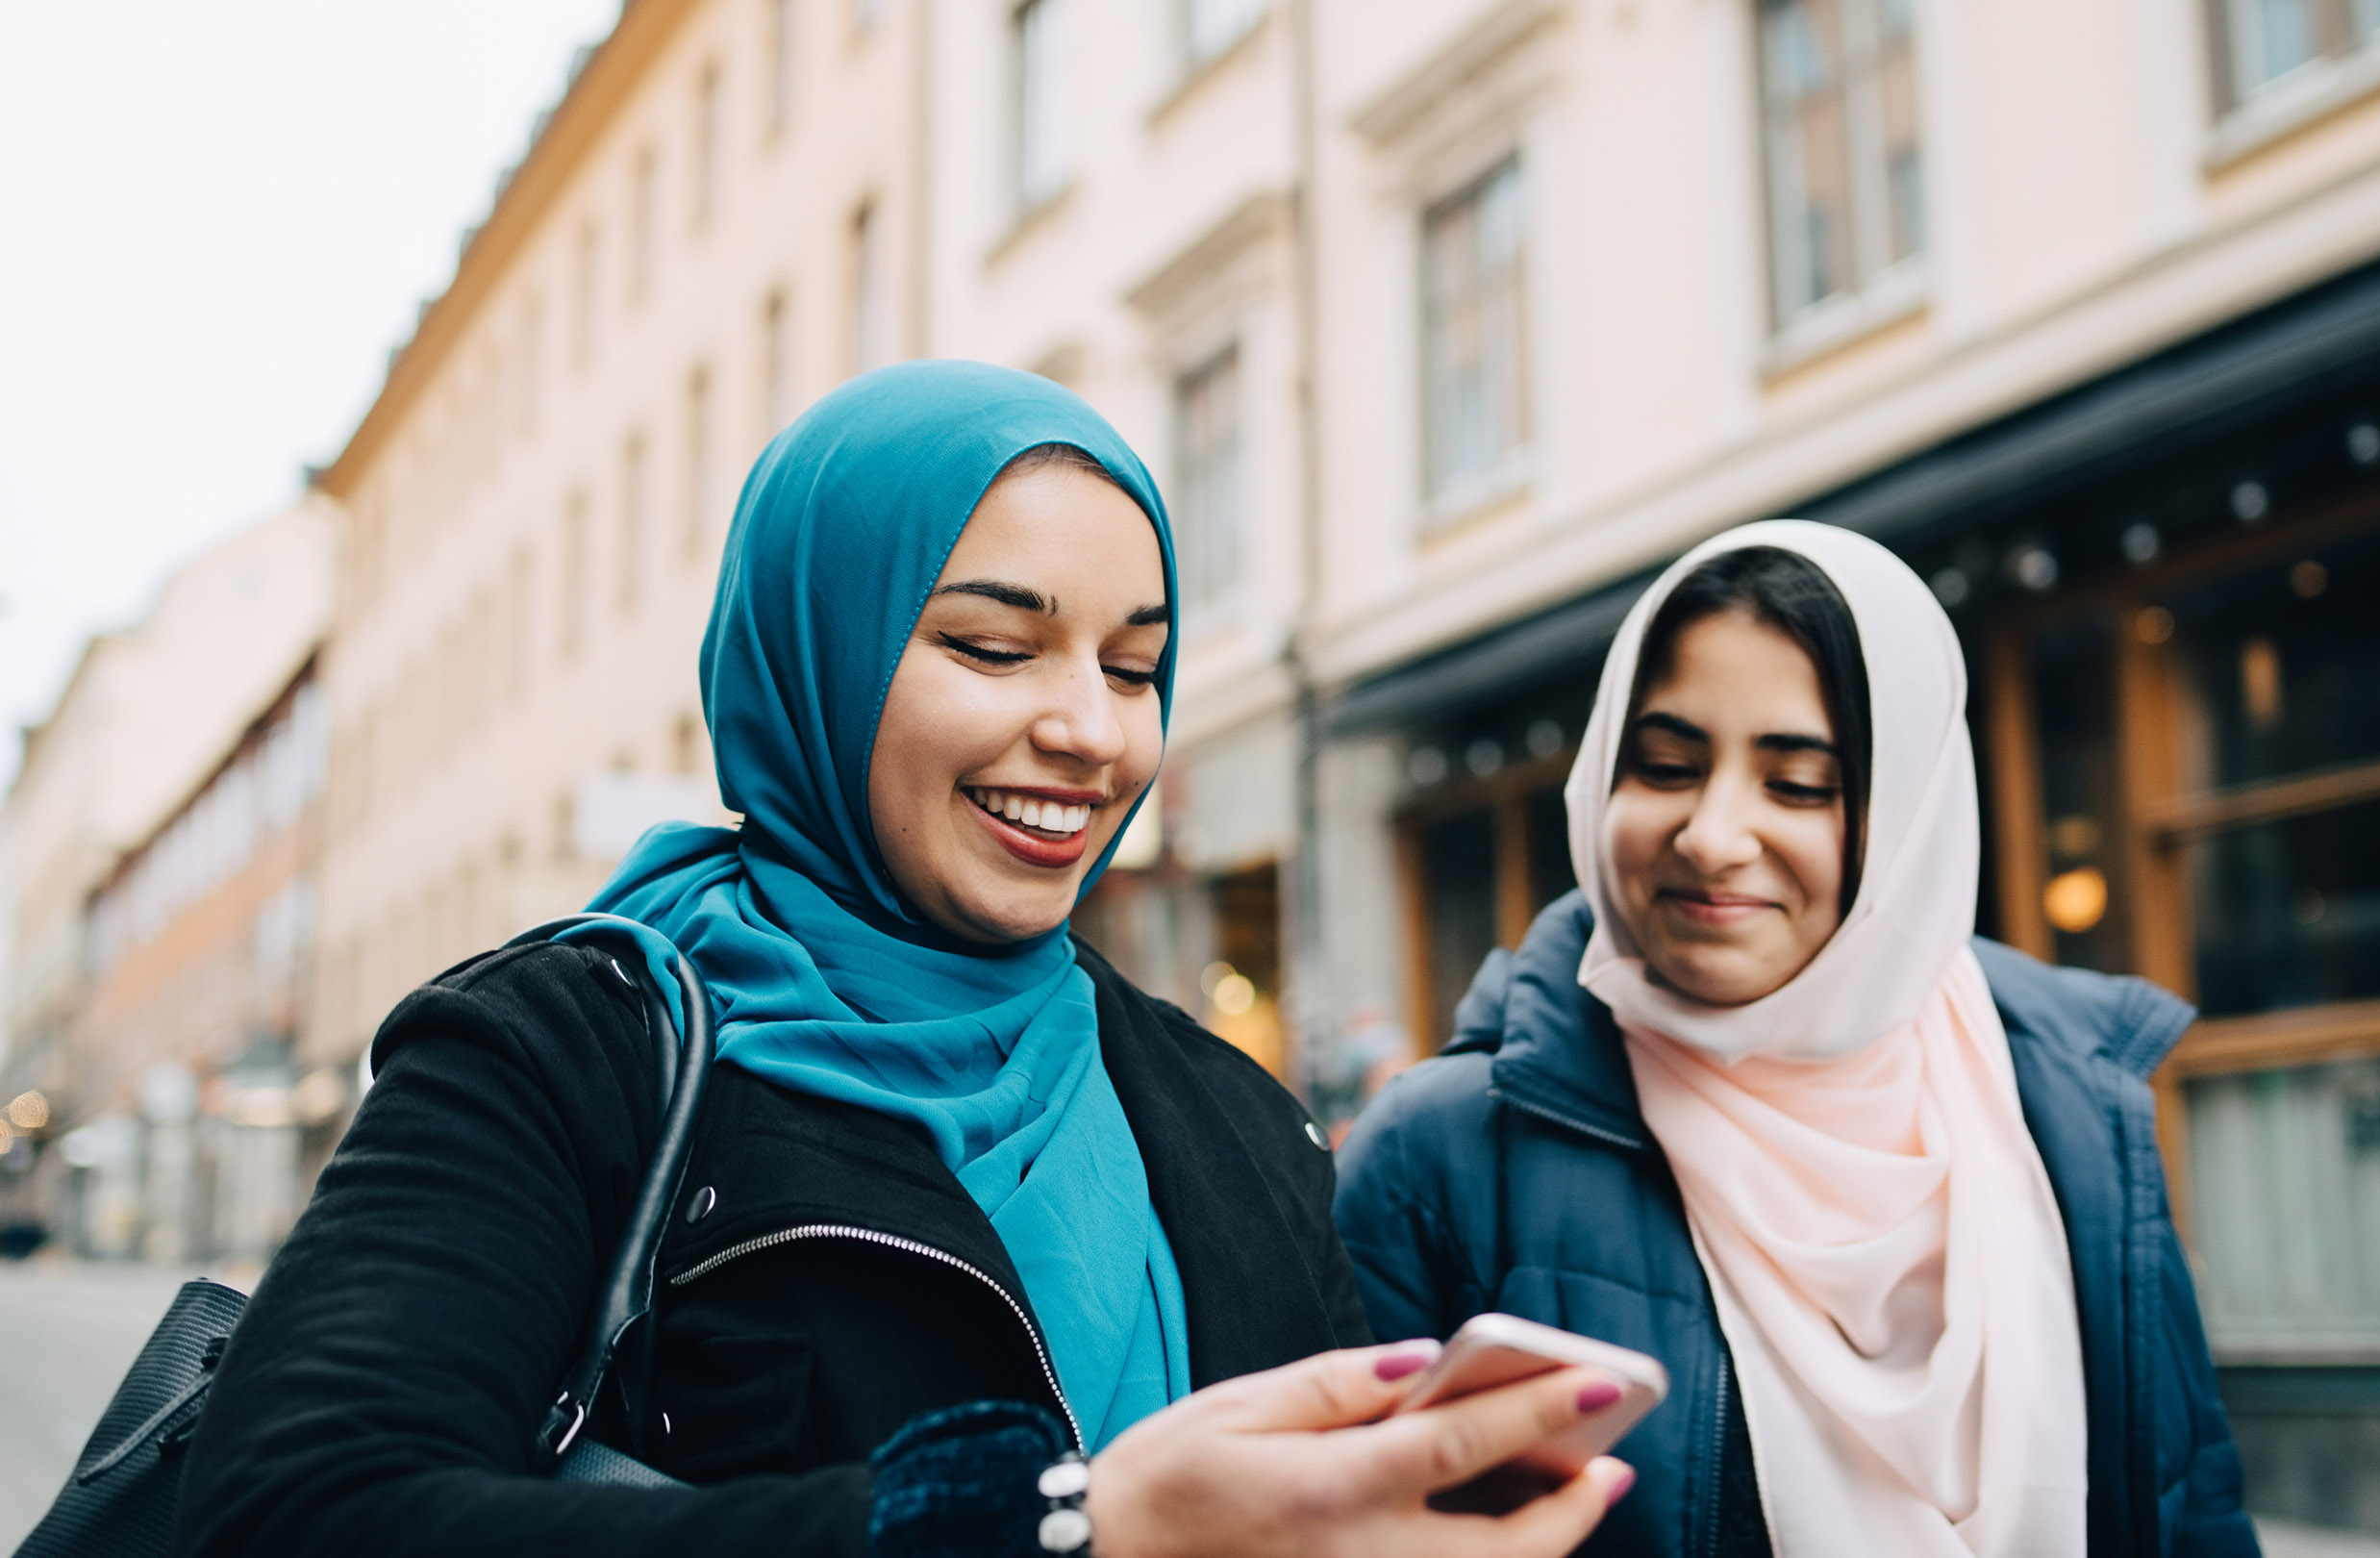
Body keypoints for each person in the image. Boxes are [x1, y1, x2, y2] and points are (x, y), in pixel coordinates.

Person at [181, 363, 1633, 1558]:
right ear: (815, 654)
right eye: (995, 650)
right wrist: (1057, 1527)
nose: (1091, 730)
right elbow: (297, 1509)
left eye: (1134, 669)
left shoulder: (1229, 1111)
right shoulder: (566, 1051)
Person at [1334, 522, 2260, 1557]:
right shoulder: (1438, 1157)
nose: (1714, 836)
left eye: (1799, 784)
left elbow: (2195, 1506)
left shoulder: (2077, 1100)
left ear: (1908, 816)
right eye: (1669, 765)